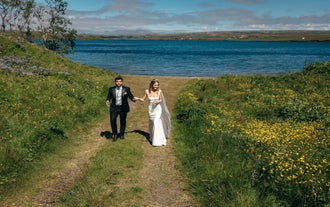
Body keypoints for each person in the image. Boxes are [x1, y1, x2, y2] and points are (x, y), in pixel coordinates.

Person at [136, 79, 171, 146]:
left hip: (158, 109)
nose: (156, 87)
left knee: (156, 122)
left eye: (157, 85)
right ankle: (152, 136)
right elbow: (143, 99)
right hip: (151, 110)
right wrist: (137, 99)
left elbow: (161, 99)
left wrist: (158, 101)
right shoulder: (147, 91)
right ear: (151, 84)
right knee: (152, 123)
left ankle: (158, 141)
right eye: (155, 85)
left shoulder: (160, 91)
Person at [106, 76, 136, 140]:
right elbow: (108, 97)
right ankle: (115, 134)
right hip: (114, 108)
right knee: (112, 120)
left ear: (122, 82)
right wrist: (107, 101)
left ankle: (122, 134)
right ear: (115, 82)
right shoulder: (111, 89)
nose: (118, 83)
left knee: (123, 121)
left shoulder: (126, 89)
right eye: (117, 81)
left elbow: (130, 96)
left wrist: (133, 99)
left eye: (120, 81)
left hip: (123, 108)